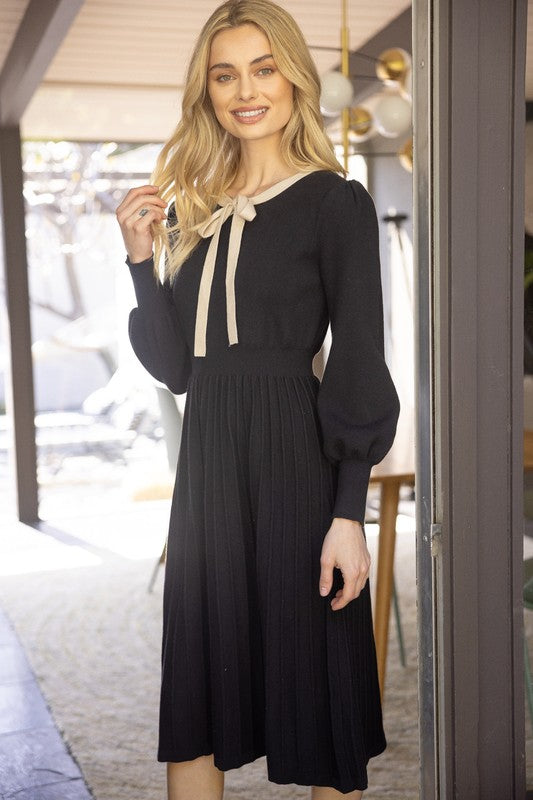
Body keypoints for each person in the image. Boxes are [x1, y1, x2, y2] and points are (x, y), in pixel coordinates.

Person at [116, 0, 400, 797]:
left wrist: (348, 514)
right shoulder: (191, 210)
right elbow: (176, 368)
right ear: (206, 90)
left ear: (293, 79)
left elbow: (359, 357)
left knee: (320, 697)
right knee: (197, 698)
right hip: (208, 471)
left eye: (263, 69)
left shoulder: (334, 202)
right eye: (225, 75)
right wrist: (140, 261)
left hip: (296, 467)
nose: (246, 91)